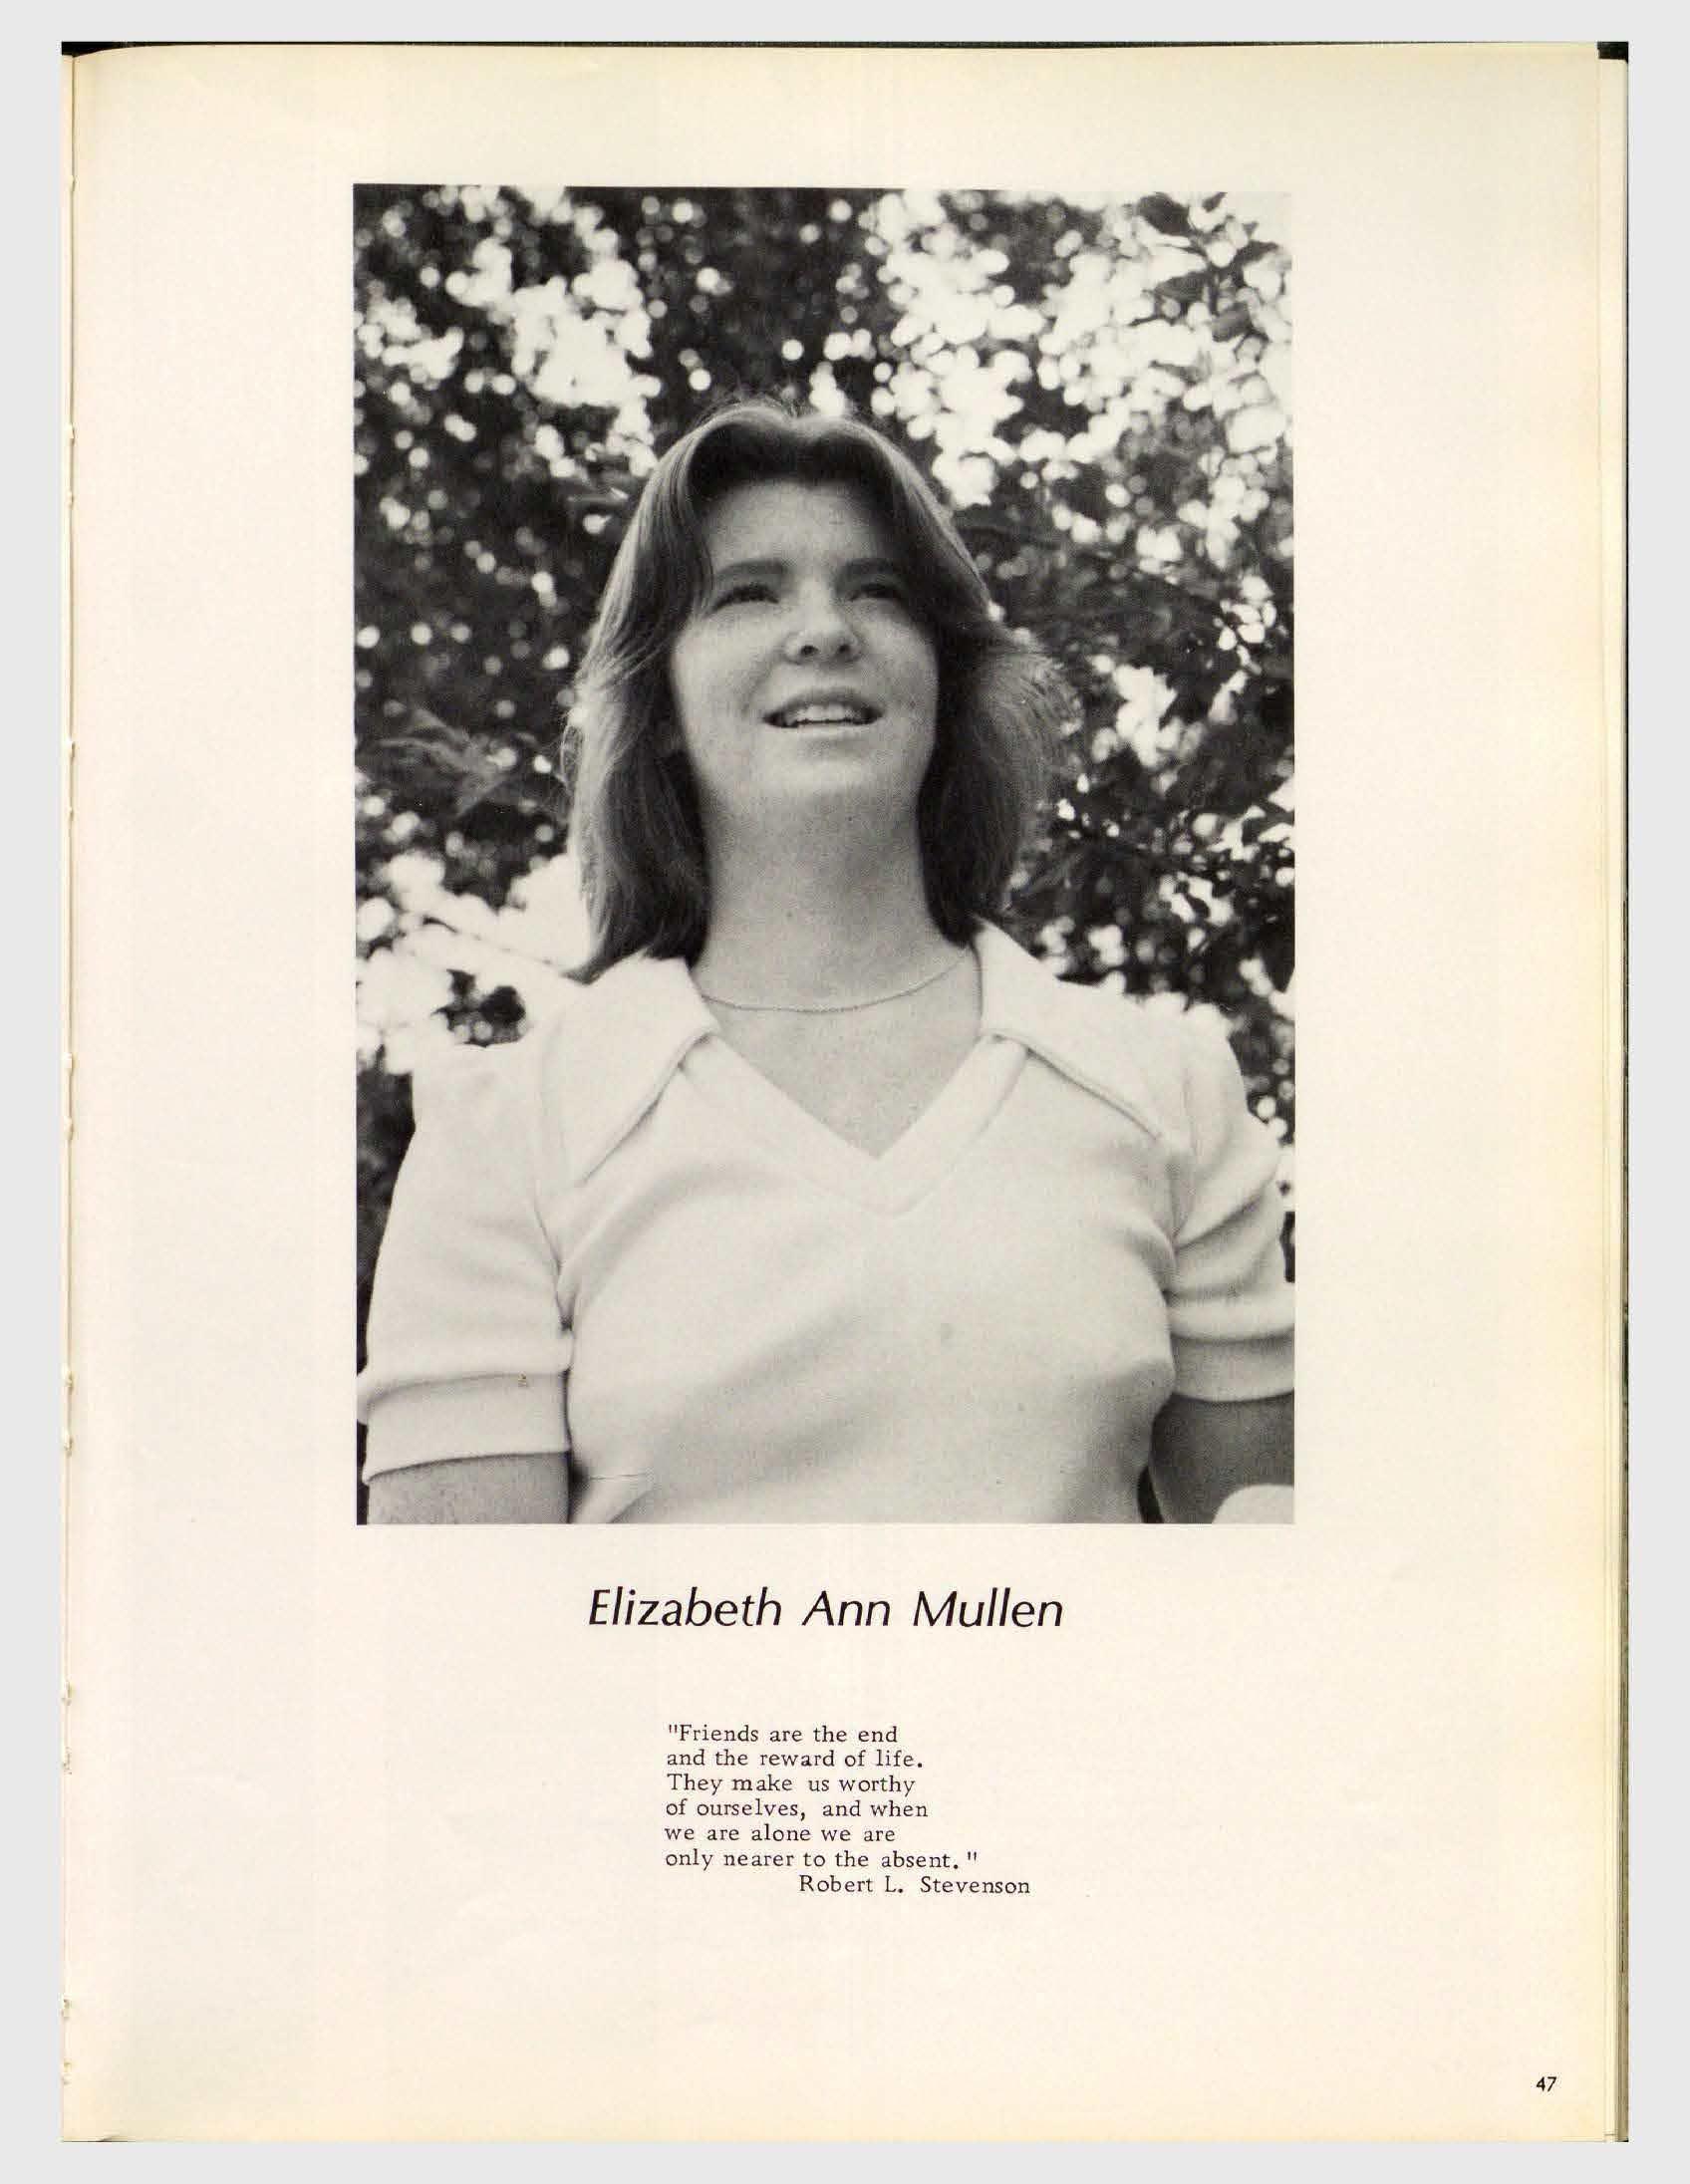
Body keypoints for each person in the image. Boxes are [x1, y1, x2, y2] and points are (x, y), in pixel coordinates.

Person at [357, 399, 1293, 1523]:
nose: (824, 630)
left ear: (941, 681)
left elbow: (1270, 1578)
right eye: (748, 593)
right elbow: (461, 1626)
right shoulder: (510, 1130)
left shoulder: (1165, 1088)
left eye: (877, 591)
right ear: (660, 704)